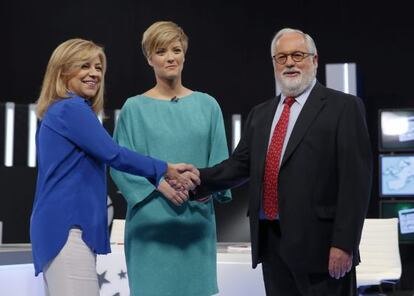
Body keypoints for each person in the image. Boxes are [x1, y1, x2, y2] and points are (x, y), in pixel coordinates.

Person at [193, 28, 373, 296]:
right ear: (274, 64)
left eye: (298, 55)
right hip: (272, 246)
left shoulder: (343, 107)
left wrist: (344, 244)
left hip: (322, 251)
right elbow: (238, 166)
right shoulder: (260, 114)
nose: (289, 63)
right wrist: (196, 179)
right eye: (282, 57)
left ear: (314, 60)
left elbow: (356, 182)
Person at [30, 38, 198, 296]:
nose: (94, 74)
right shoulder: (71, 109)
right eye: (84, 66)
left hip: (60, 228)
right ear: (63, 71)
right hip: (67, 229)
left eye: (98, 68)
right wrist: (163, 168)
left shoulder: (61, 110)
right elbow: (114, 154)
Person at [110, 21, 231, 296]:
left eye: (176, 50)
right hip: (150, 226)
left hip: (196, 223)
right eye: (161, 51)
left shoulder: (208, 105)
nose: (170, 57)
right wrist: (160, 185)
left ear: (185, 55)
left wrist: (201, 186)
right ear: (149, 58)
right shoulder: (134, 108)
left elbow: (221, 165)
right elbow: (120, 165)